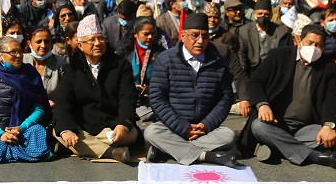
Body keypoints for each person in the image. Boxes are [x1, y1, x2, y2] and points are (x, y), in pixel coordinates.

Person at [241, 24, 336, 169]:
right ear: (299, 41)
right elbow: (255, 82)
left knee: (333, 135)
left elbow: (331, 98)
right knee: (258, 126)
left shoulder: (328, 67)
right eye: (309, 43)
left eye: (318, 45)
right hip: (274, 123)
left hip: (306, 127)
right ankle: (313, 156)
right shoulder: (278, 56)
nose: (313, 48)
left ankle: (276, 147)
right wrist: (262, 105)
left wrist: (328, 126)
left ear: (324, 48)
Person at [142, 13, 236, 165]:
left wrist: (207, 124)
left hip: (203, 129)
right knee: (151, 132)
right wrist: (182, 127)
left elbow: (225, 98)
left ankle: (168, 149)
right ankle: (206, 156)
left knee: (228, 136)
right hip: (172, 126)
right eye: (195, 35)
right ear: (183, 36)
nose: (200, 41)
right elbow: (157, 98)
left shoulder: (218, 62)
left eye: (205, 36)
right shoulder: (165, 60)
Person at [53, 16, 138, 163]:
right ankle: (111, 152)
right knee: (59, 131)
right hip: (83, 126)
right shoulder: (71, 69)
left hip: (112, 125)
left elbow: (128, 97)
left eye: (100, 38)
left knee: (131, 134)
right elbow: (63, 101)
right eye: (92, 40)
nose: (97, 43)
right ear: (80, 45)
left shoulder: (121, 65)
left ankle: (78, 147)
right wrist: (67, 130)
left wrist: (123, 124)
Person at [0, 35, 52, 164]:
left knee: (38, 130)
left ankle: (4, 154)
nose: (18, 55)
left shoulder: (30, 74)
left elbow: (39, 107)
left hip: (23, 131)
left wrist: (21, 128)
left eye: (20, 51)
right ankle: (24, 153)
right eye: (13, 52)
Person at [116, 16, 166, 120]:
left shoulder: (161, 53)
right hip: (126, 97)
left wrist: (150, 90)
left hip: (152, 99)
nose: (150, 37)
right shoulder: (124, 52)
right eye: (146, 34)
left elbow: (165, 81)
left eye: (153, 34)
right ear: (135, 34)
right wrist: (131, 88)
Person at [23, 27, 65, 101]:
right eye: (39, 42)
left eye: (46, 41)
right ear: (29, 43)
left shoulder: (60, 62)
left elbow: (65, 91)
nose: (43, 45)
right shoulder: (22, 61)